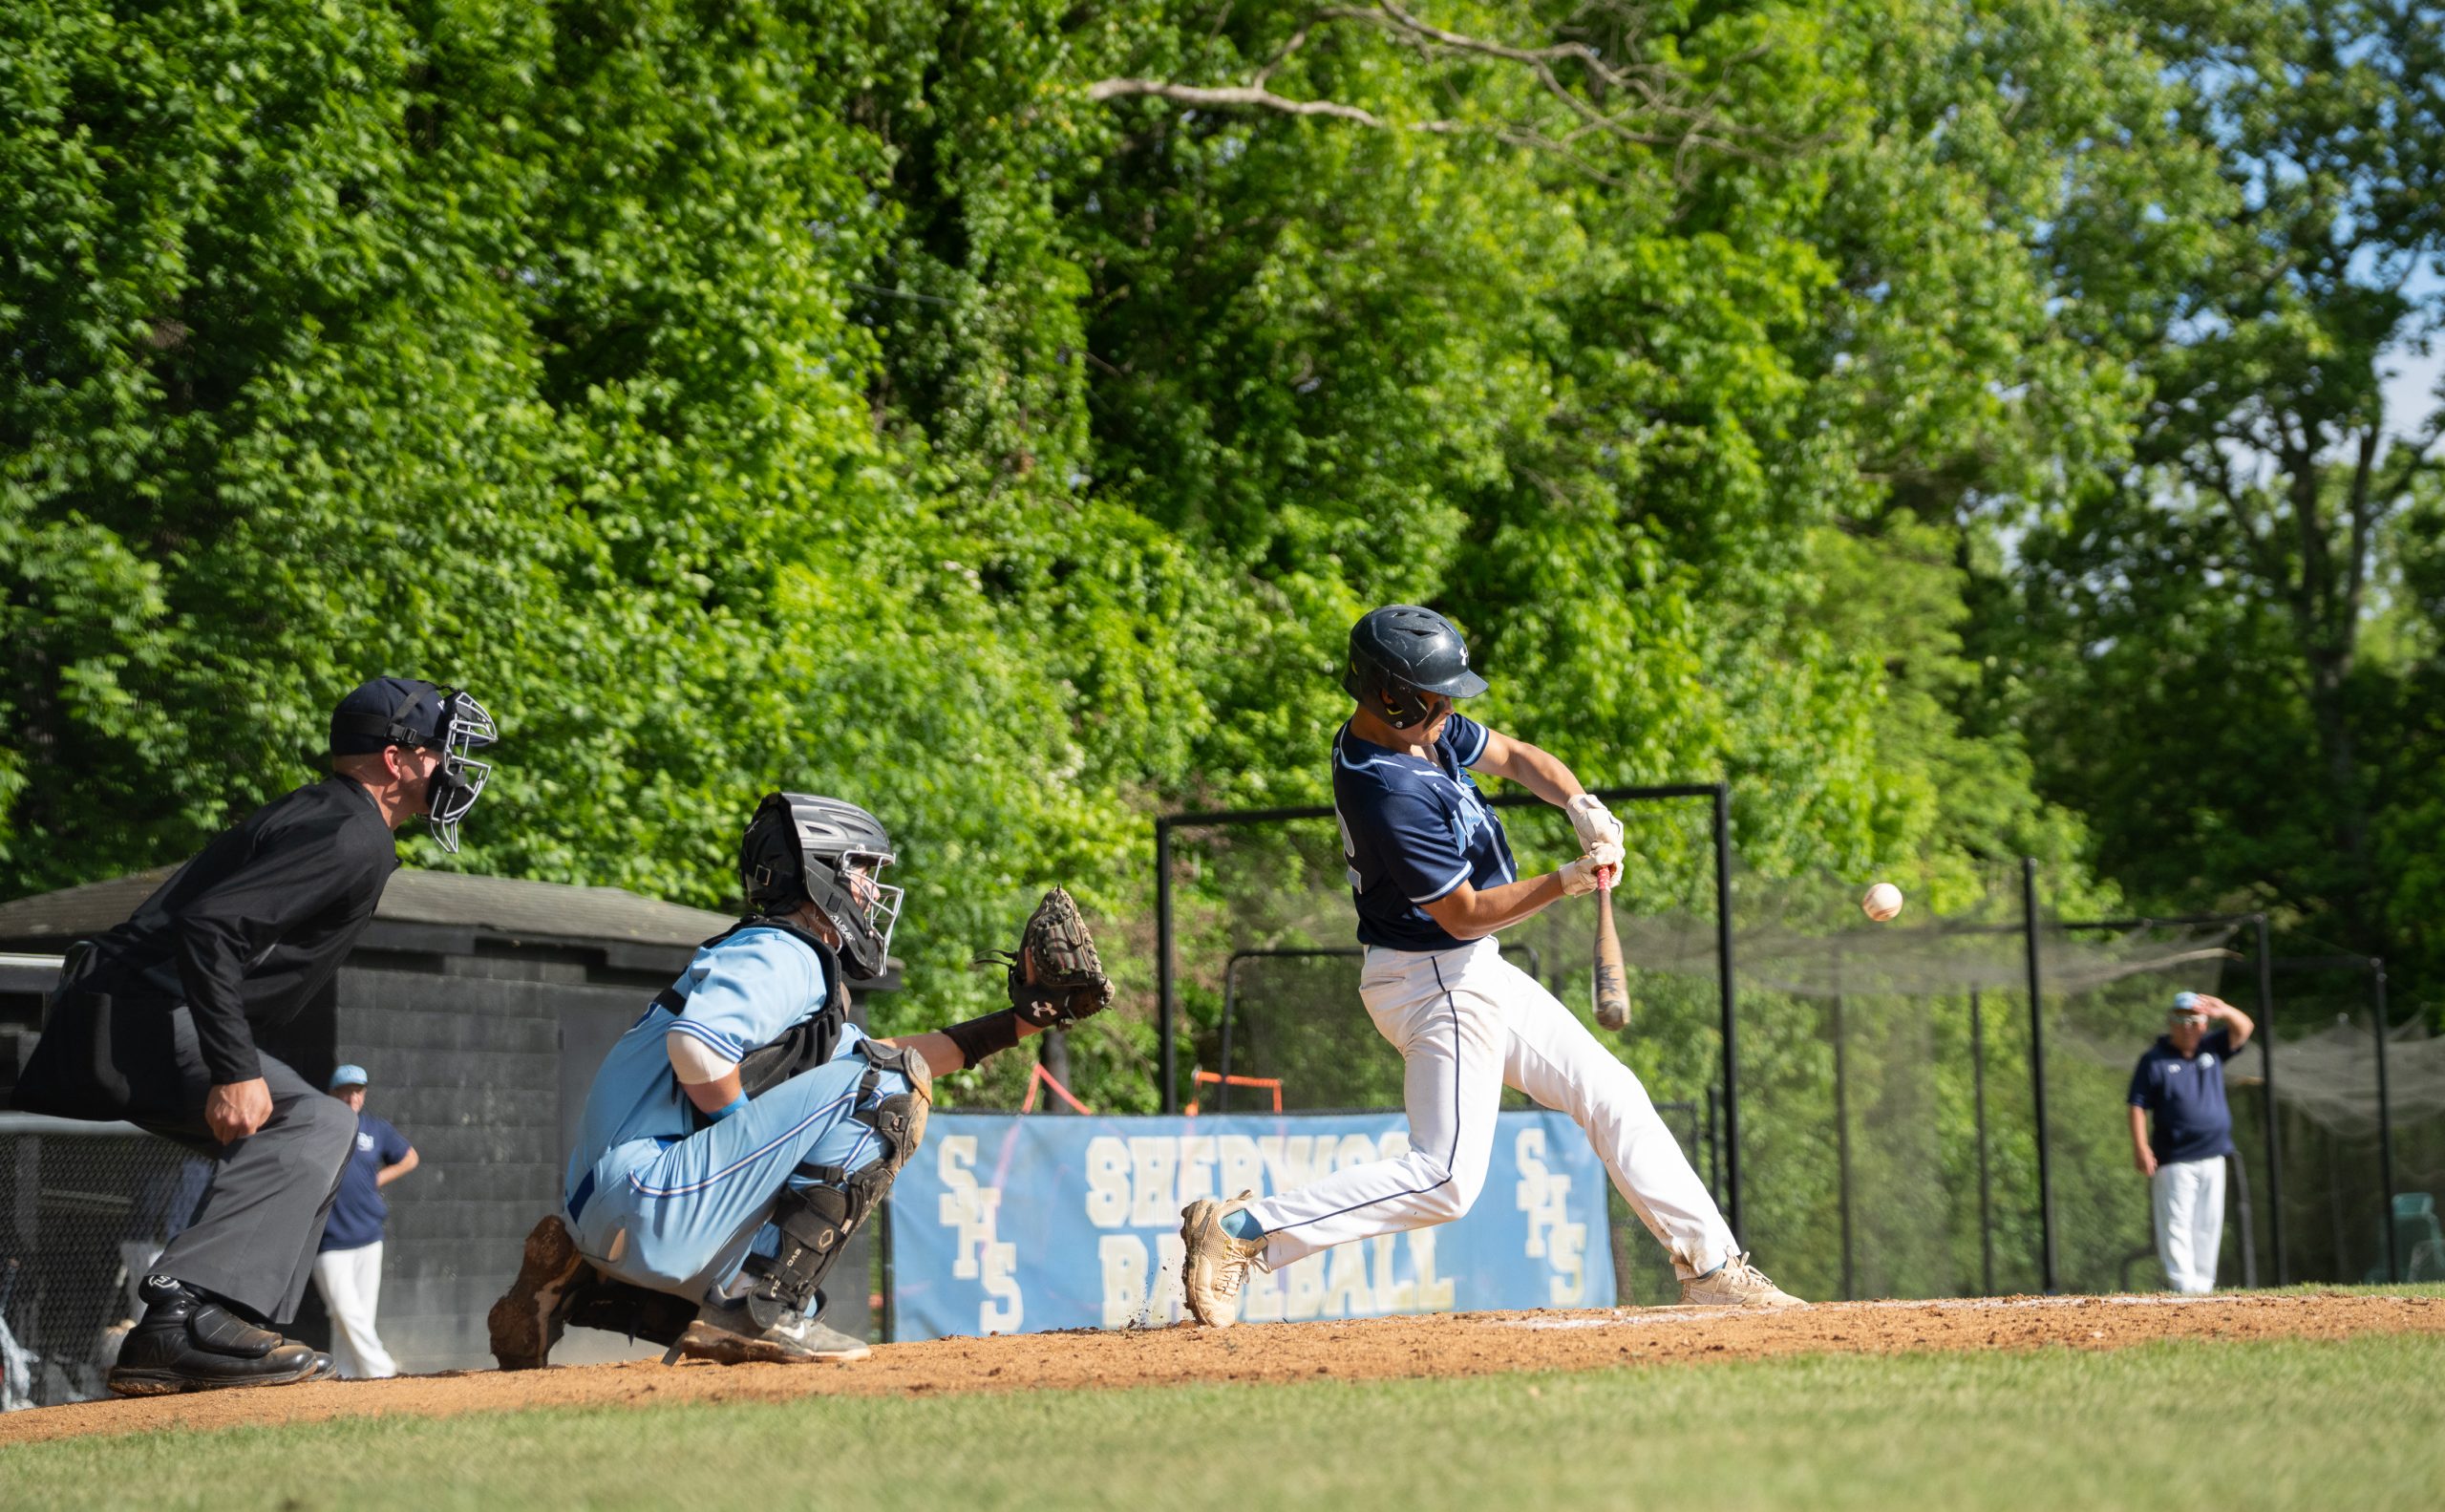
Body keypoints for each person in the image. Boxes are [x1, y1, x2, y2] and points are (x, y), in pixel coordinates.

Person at [1180, 606, 1800, 1325]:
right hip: (1432, 978)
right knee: (1445, 1179)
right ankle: (1240, 1234)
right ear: (1391, 696)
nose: (1449, 709)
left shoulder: (1420, 732)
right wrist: (1566, 879)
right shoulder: (1387, 786)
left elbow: (1511, 757)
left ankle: (1713, 1266)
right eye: (1435, 696)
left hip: (1469, 969)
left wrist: (1579, 802)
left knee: (1612, 1092)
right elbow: (1464, 912)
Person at [489, 793, 1111, 1369]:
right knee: (880, 1095)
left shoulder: (787, 961)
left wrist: (1026, 1020)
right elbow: (698, 1047)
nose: (871, 889)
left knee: (880, 1081)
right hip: (654, 1196)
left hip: (624, 1208)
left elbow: (889, 1059)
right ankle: (758, 1307)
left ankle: (577, 1281)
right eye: (861, 870)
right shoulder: (785, 950)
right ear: (820, 873)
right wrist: (760, 1150)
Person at [11, 677, 495, 1395]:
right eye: (437, 753)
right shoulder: (349, 832)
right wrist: (235, 1067)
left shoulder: (333, 816)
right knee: (317, 1120)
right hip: (136, 1011)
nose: (450, 769)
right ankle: (185, 1320)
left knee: (316, 1135)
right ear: (395, 761)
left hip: (123, 1007)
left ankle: (218, 1328)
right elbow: (211, 926)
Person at [2128, 990, 2255, 1293]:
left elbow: (2245, 1028)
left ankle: (2203, 1284)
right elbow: (2137, 1104)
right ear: (2171, 1022)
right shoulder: (2154, 1060)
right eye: (2181, 1020)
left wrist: (2222, 1010)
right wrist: (2141, 1146)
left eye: (2194, 1020)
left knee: (2208, 1224)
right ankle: (2183, 1283)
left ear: (2204, 1024)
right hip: (2174, 1158)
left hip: (2213, 1155)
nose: (2187, 1027)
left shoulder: (2211, 1049)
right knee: (2177, 1222)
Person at [311, 1064, 418, 1377]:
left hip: (368, 1235)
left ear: (364, 1094)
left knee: (359, 1318)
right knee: (344, 1312)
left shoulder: (376, 1128)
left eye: (357, 1091)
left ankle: (347, 1376)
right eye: (344, 1091)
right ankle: (383, 1371)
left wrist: (377, 1179)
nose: (351, 1097)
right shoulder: (318, 1128)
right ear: (332, 1094)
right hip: (328, 1240)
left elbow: (410, 1157)